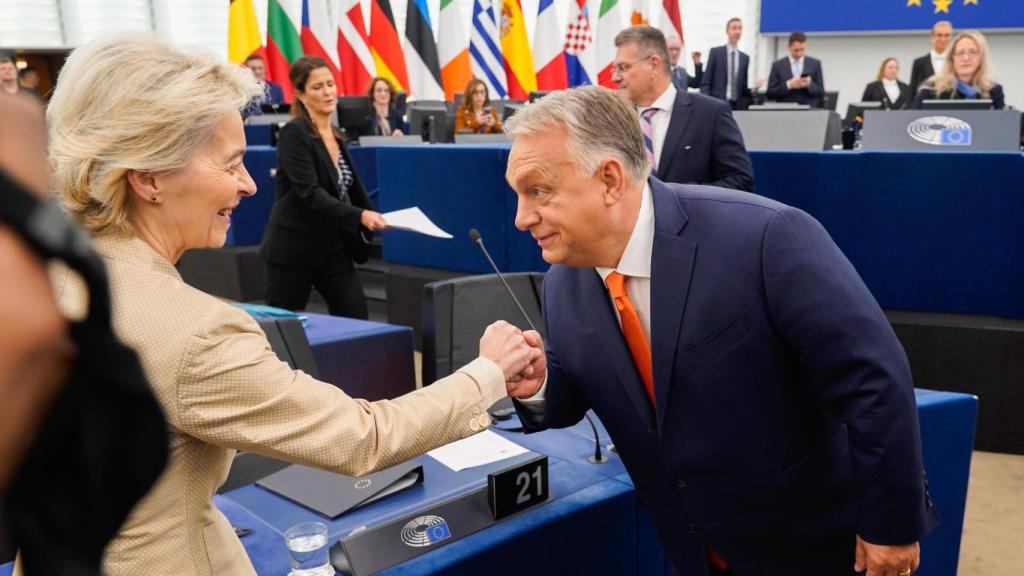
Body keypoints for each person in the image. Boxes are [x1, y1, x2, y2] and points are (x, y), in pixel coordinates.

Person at [40, 35, 539, 576]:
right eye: (231, 164)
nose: (251, 185)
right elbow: (364, 437)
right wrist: (488, 373)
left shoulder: (37, 281)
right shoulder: (193, 334)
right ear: (149, 176)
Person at [503, 86, 938, 576]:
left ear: (608, 179)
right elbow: (583, 389)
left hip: (812, 548)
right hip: (693, 551)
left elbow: (873, 382)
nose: (522, 218)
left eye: (538, 191)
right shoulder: (564, 283)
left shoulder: (764, 238)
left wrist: (892, 524)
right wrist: (539, 383)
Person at [262, 56, 387, 319]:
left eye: (330, 84)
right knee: (284, 326)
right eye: (318, 87)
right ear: (301, 94)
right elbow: (310, 194)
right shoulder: (294, 134)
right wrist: (360, 216)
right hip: (294, 248)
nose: (328, 92)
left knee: (357, 320)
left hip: (333, 247)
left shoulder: (336, 134)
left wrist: (374, 215)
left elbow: (351, 190)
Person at [611, 26, 753, 193]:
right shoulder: (614, 120)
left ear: (654, 65)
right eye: (615, 69)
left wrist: (676, 198)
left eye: (623, 67)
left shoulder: (711, 114)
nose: (615, 77)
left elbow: (741, 182)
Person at [913, 30, 1004, 110]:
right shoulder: (931, 89)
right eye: (960, 53)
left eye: (973, 52)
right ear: (952, 58)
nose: (966, 58)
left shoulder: (993, 91)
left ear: (981, 58)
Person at [700, 18, 750, 110]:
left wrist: (753, 90)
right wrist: (706, 103)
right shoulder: (716, 53)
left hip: (736, 106)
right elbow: (706, 82)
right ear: (727, 31)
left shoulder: (744, 58)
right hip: (716, 104)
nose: (737, 31)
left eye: (740, 28)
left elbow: (743, 88)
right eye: (734, 28)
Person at [766, 31, 825, 107]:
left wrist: (809, 85)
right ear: (789, 47)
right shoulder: (777, 65)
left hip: (809, 110)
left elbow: (821, 92)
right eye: (796, 50)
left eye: (802, 49)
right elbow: (770, 94)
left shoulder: (815, 64)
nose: (799, 53)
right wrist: (789, 85)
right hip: (785, 109)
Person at [909, 21, 953, 98]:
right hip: (925, 108)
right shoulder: (919, 63)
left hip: (950, 108)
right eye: (939, 35)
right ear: (931, 37)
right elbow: (912, 92)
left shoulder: (956, 63)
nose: (943, 39)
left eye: (947, 35)